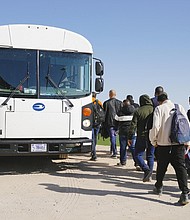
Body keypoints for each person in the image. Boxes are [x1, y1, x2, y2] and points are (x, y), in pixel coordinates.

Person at [149, 92, 189, 205]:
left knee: (161, 167)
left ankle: (158, 187)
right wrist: (187, 141)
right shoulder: (178, 106)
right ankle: (185, 193)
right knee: (180, 168)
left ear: (159, 100)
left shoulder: (159, 109)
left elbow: (156, 126)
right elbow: (187, 124)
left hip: (164, 144)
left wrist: (153, 141)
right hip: (179, 143)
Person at [128, 94, 155, 182]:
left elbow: (133, 125)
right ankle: (149, 175)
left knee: (137, 154)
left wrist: (130, 137)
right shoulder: (154, 110)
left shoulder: (138, 111)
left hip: (141, 136)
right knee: (150, 156)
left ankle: (146, 169)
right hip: (152, 135)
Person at [115, 99, 136, 166]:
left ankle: (123, 162)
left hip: (123, 131)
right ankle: (137, 162)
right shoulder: (134, 111)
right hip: (131, 132)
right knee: (132, 148)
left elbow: (115, 120)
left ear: (123, 104)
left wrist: (117, 128)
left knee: (123, 148)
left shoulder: (120, 112)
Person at [103, 89, 122, 158]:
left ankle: (114, 152)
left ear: (109, 94)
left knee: (112, 137)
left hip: (110, 122)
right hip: (118, 122)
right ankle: (112, 150)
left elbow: (104, 114)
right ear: (115, 94)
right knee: (114, 137)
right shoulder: (120, 103)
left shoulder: (106, 103)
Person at [126, 94, 141, 170]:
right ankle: (137, 162)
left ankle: (136, 162)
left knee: (130, 146)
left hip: (130, 128)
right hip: (137, 130)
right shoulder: (137, 106)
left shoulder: (125, 107)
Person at [91, 92, 103, 161]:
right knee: (95, 138)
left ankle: (94, 153)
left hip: (91, 122)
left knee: (92, 138)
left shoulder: (89, 102)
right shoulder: (99, 102)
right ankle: (93, 150)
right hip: (98, 123)